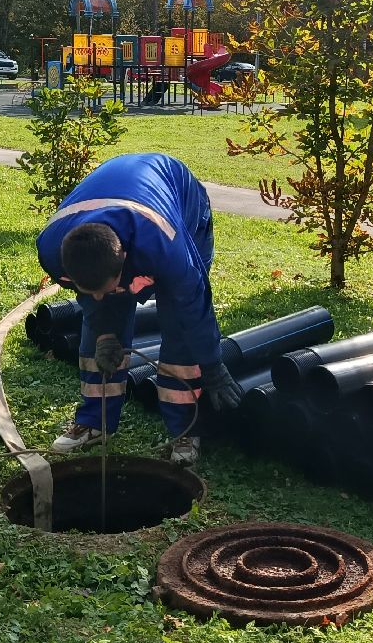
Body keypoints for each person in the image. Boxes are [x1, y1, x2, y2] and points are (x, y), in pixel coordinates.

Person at [35, 153, 243, 465]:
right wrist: (105, 334)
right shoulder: (52, 250)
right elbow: (94, 299)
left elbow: (193, 306)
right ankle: (95, 422)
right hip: (118, 208)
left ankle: (185, 430)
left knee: (179, 327)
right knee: (97, 331)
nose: (99, 297)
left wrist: (212, 366)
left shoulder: (165, 247)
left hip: (179, 199)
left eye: (107, 288)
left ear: (124, 261)